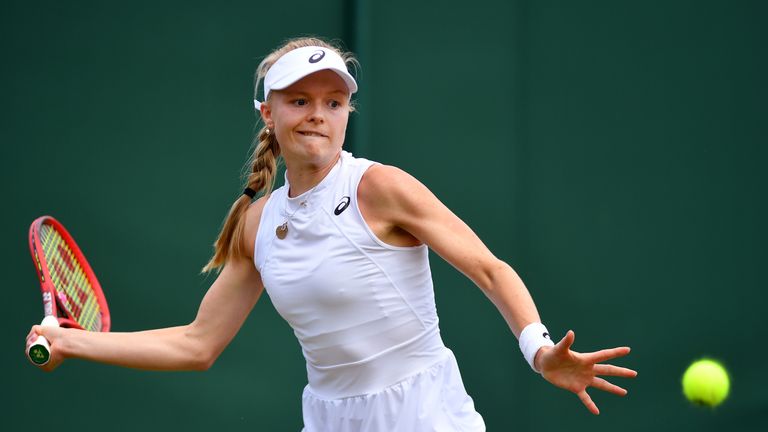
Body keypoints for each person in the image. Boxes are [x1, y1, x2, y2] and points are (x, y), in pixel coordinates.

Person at [26, 37, 637, 431]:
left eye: (333, 101)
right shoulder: (257, 223)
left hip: (424, 417)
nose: (318, 112)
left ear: (347, 112)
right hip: (329, 422)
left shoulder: (382, 187)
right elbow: (196, 345)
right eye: (299, 100)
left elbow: (489, 268)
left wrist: (538, 350)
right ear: (269, 113)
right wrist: (74, 344)